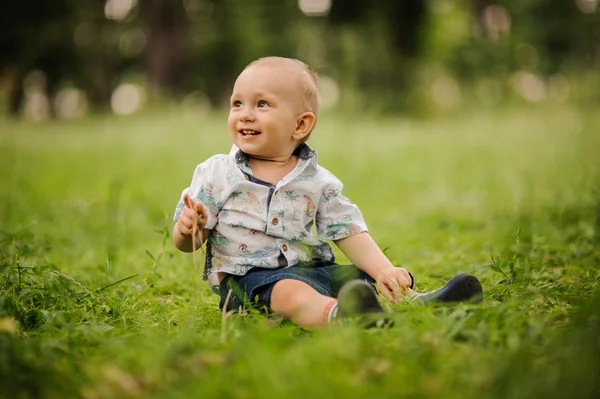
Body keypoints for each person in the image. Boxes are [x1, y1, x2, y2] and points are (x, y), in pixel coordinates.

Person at [173, 57, 482, 328]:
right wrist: (190, 227)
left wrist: (384, 270)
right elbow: (187, 243)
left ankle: (415, 302)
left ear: (300, 124)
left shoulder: (318, 181)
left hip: (314, 269)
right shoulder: (218, 173)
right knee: (290, 291)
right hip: (249, 282)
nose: (245, 113)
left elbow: (346, 229)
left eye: (262, 104)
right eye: (237, 103)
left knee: (359, 277)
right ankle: (340, 316)